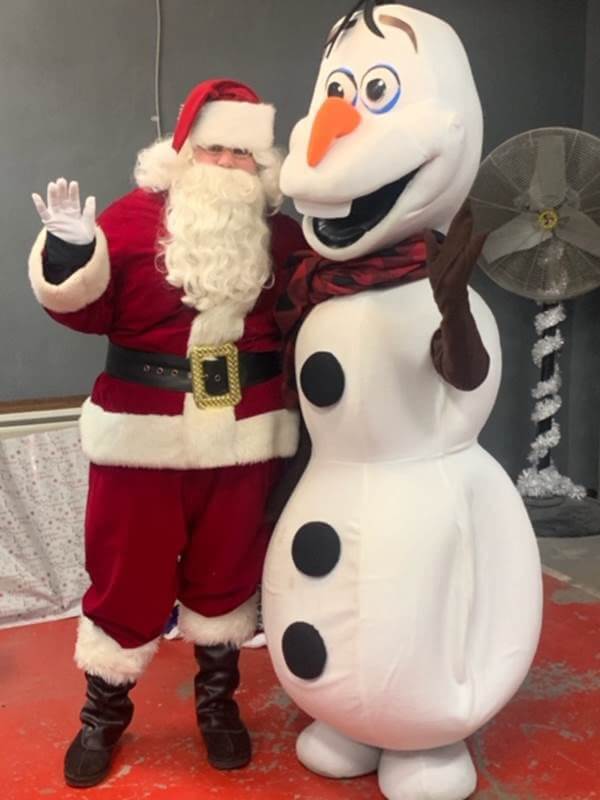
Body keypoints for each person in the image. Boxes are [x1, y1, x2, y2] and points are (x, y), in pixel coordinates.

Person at [28, 78, 305, 788]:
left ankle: (218, 707)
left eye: (244, 154)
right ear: (184, 150)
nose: (229, 165)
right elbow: (80, 310)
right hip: (142, 437)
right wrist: (69, 254)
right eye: (215, 148)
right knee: (126, 575)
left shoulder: (281, 235)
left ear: (263, 163)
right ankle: (103, 716)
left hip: (244, 434)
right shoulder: (130, 218)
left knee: (228, 572)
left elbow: (313, 307)